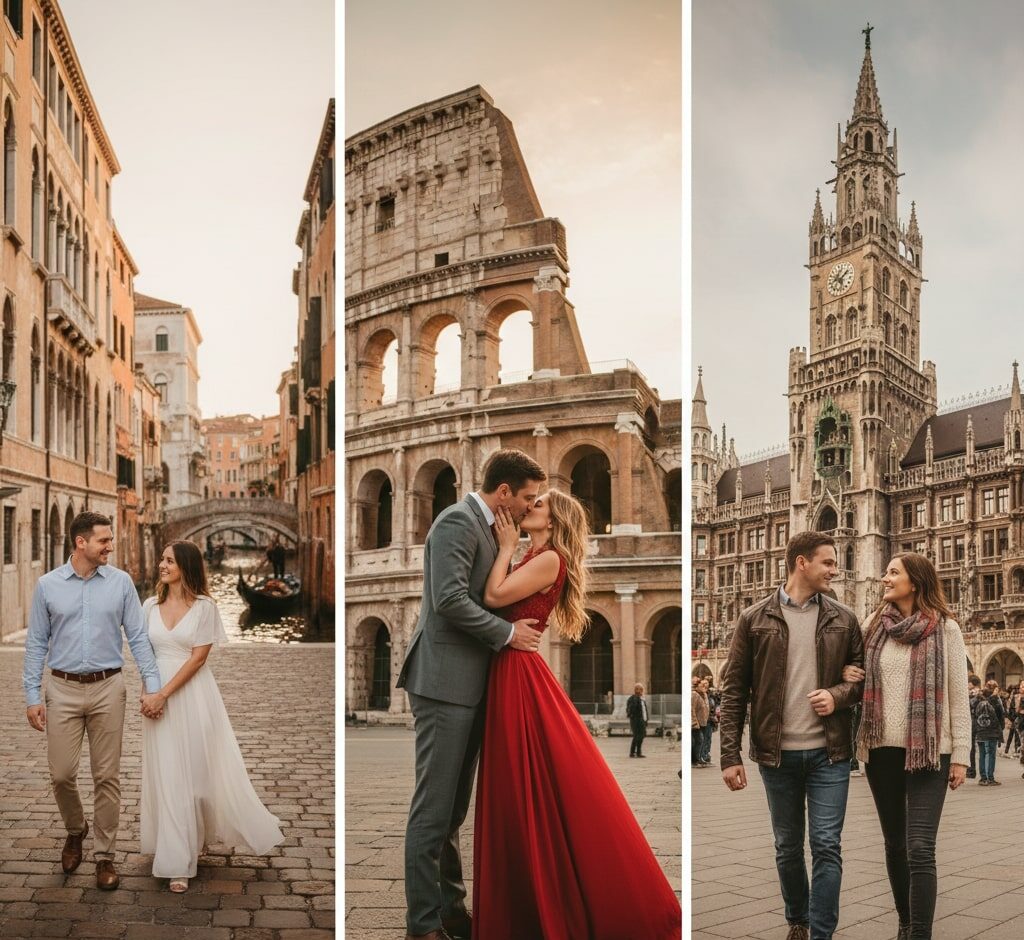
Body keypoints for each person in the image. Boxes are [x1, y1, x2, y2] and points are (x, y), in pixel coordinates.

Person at [473, 488, 681, 939]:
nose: (529, 507)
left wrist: (505, 548)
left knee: (527, 779)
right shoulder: (536, 555)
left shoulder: (549, 558)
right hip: (514, 668)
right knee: (523, 781)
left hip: (518, 672)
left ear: (553, 521)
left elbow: (492, 596)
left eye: (539, 505)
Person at [397, 449, 546, 940]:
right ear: (503, 493)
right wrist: (508, 634)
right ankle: (422, 926)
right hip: (444, 684)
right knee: (433, 810)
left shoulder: (490, 529)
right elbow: (449, 599)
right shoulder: (456, 522)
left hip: (468, 684)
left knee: (453, 811)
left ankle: (451, 909)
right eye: (526, 498)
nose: (530, 506)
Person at [719, 531, 863, 940]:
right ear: (802, 562)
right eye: (828, 562)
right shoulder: (754, 619)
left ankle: (821, 934)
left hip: (829, 753)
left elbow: (862, 681)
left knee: (827, 844)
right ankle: (797, 920)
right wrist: (729, 755)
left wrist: (837, 695)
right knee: (787, 846)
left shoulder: (844, 618)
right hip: (777, 754)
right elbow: (734, 690)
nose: (835, 569)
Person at [23, 511, 165, 890]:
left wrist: (152, 685)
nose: (110, 546)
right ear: (81, 542)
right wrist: (32, 695)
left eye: (110, 539)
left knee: (107, 777)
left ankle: (105, 856)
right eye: (104, 540)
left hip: (108, 688)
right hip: (62, 688)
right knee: (61, 774)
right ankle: (76, 829)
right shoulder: (48, 586)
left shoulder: (121, 583)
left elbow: (138, 637)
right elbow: (36, 644)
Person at [140, 540, 282, 891]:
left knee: (194, 776)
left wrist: (163, 694)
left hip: (193, 696)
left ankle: (192, 841)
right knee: (167, 775)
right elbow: (145, 655)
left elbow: (198, 659)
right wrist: (148, 694)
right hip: (155, 697)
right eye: (162, 559)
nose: (162, 565)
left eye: (170, 561)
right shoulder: (149, 606)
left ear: (186, 567)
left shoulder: (205, 607)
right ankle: (177, 858)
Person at [844, 552, 971, 940]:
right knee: (895, 845)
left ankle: (919, 934)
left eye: (893, 572)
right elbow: (854, 673)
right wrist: (849, 673)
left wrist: (961, 755)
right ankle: (905, 921)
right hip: (881, 749)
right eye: (885, 572)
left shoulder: (946, 629)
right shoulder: (873, 625)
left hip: (930, 751)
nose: (884, 578)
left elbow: (958, 696)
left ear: (915, 582)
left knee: (919, 847)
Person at [974, 679, 1005, 787]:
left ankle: (983, 778)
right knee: (991, 754)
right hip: (992, 731)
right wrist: (1001, 729)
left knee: (982, 754)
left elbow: (974, 713)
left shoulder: (977, 698)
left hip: (980, 730)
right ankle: (990, 778)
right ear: (995, 689)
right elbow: (1001, 715)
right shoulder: (995, 700)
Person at [626, 682, 649, 758]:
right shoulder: (633, 698)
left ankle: (638, 752)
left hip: (643, 720)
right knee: (636, 736)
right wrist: (633, 718)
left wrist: (646, 720)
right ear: (635, 690)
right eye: (638, 689)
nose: (640, 691)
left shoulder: (642, 699)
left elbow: (644, 711)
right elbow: (630, 710)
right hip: (636, 721)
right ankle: (632, 752)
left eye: (641, 689)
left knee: (641, 736)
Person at [966, 674, 982, 778]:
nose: (967, 684)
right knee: (973, 747)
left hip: (973, 721)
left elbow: (970, 706)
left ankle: (971, 770)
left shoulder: (974, 694)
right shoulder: (979, 693)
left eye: (968, 682)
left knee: (971, 747)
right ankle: (972, 770)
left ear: (972, 683)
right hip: (977, 721)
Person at [692, 678, 710, 768]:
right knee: (698, 740)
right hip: (697, 723)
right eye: (701, 685)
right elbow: (692, 709)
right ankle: (695, 760)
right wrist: (694, 723)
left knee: (701, 740)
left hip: (702, 722)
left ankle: (699, 758)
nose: (704, 687)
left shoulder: (702, 694)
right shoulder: (694, 694)